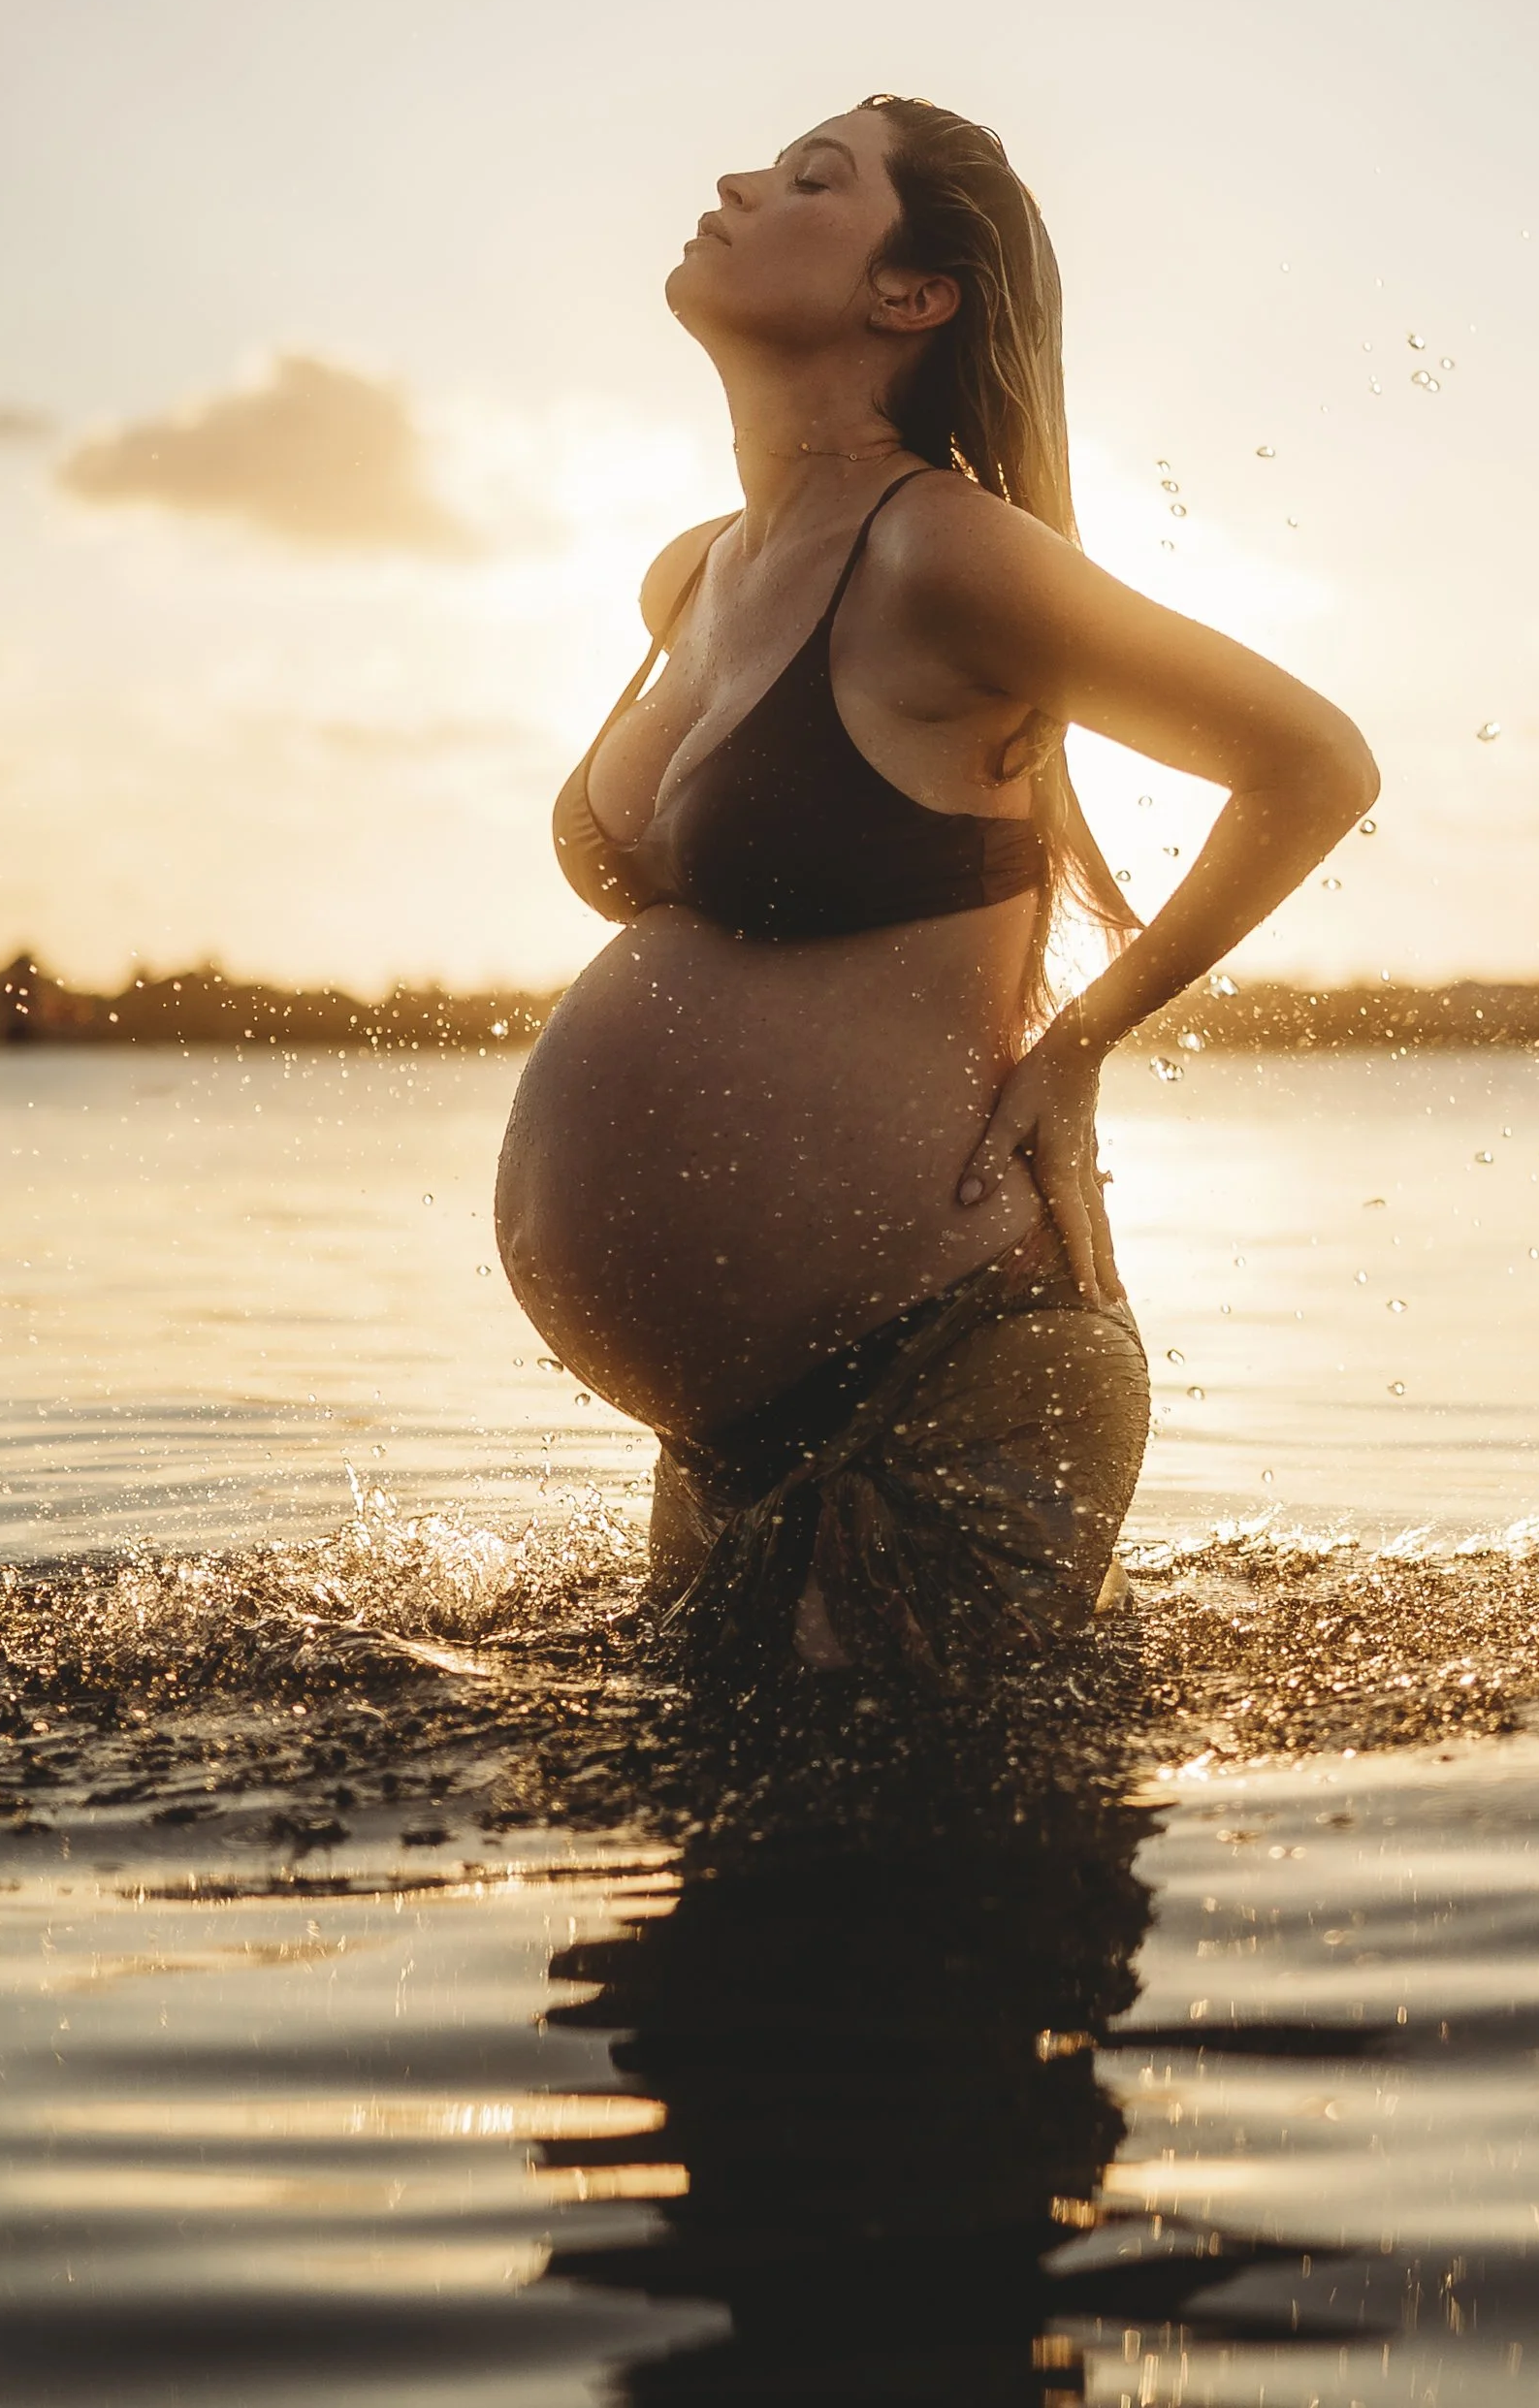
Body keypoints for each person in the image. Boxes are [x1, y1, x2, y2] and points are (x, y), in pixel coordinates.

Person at [496, 96, 1376, 1674]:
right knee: (715, 1888)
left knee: (892, 1886)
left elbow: (1311, 764)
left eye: (812, 178)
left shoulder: (943, 556)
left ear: (911, 297)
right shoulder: (687, 571)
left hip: (948, 1373)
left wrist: (1079, 1044)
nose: (736, 180)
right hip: (733, 1424)